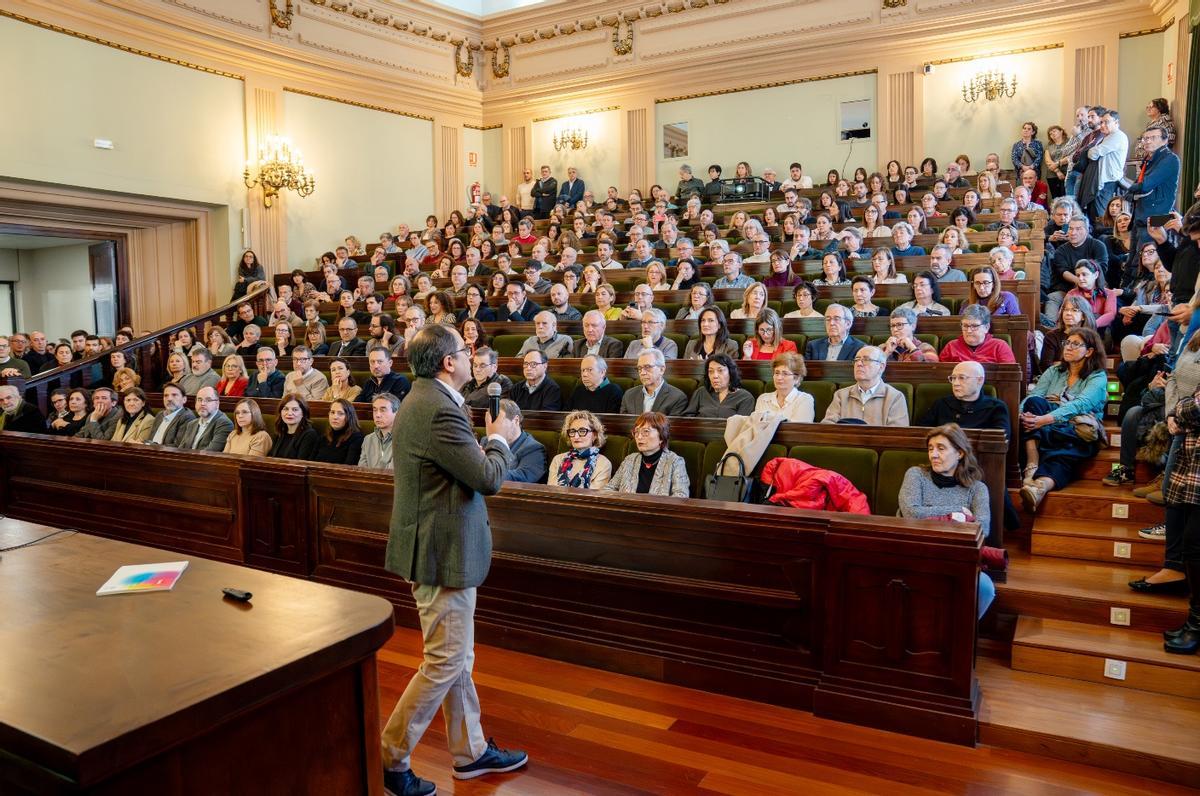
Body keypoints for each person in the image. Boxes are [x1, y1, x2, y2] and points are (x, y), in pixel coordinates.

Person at [380, 324, 528, 795]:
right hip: (441, 553)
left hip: (439, 545)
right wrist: (501, 438)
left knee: (457, 657)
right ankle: (390, 758)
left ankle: (471, 752)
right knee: (445, 661)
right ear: (448, 362)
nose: (472, 356)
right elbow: (487, 477)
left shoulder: (425, 399)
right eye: (466, 351)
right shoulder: (437, 409)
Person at [898, 424, 995, 619]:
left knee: (985, 588)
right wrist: (958, 513)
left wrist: (933, 515)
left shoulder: (977, 489)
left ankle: (956, 638)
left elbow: (983, 527)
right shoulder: (916, 475)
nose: (933, 454)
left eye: (941, 448)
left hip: (957, 557)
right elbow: (911, 514)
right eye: (930, 448)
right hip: (913, 552)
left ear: (959, 453)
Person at [1019, 327, 1109, 510]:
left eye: (1075, 344)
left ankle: (1039, 487)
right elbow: (1034, 395)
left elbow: (1080, 405)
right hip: (1048, 428)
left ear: (1089, 351)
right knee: (1034, 402)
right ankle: (1032, 464)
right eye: (1067, 342)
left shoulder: (1098, 377)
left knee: (1065, 452)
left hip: (1076, 431)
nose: (1068, 347)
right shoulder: (1054, 371)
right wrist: (1021, 413)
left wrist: (1045, 418)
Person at [605, 412, 690, 496]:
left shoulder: (675, 462)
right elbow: (608, 489)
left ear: (661, 437)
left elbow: (681, 496)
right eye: (636, 432)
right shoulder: (630, 460)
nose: (639, 437)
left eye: (646, 431)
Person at [822, 346, 910, 425]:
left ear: (881, 367)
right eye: (857, 360)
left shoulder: (895, 397)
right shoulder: (841, 395)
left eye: (866, 359)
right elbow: (827, 428)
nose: (859, 364)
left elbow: (898, 435)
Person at [919, 361, 1011, 433]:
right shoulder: (941, 404)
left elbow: (999, 441)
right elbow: (921, 433)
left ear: (979, 380)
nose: (955, 383)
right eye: (953, 378)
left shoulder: (996, 407)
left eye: (962, 378)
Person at [548, 411, 612, 489]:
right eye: (572, 431)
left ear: (594, 435)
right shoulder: (558, 459)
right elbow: (551, 491)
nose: (576, 436)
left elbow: (594, 497)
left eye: (582, 431)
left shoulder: (603, 463)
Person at [1087, 111, 1130, 220]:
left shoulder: (1117, 136)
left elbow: (1092, 154)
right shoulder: (1108, 137)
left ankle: (1104, 236)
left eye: (1106, 122)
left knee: (1102, 215)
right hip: (1104, 180)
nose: (1102, 125)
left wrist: (1091, 150)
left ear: (1116, 122)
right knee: (1096, 213)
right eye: (1101, 122)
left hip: (1108, 181)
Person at [939, 305, 1018, 365]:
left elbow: (1009, 378)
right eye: (965, 326)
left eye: (974, 326)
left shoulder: (1000, 346)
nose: (969, 331)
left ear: (986, 327)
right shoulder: (951, 346)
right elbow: (940, 377)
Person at [684, 354, 755, 418]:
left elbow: (742, 426)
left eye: (720, 370)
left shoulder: (745, 398)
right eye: (711, 371)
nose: (715, 376)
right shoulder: (701, 392)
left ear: (730, 372)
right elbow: (688, 419)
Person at [621, 349, 688, 416]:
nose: (642, 373)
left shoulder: (677, 398)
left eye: (647, 367)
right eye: (639, 368)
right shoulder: (629, 395)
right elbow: (623, 424)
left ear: (662, 370)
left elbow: (672, 425)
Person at [754, 352, 814, 422]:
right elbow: (756, 427)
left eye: (785, 374)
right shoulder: (763, 399)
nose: (779, 377)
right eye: (777, 373)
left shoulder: (804, 399)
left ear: (796, 379)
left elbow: (800, 430)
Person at [1064, 258, 1118, 332]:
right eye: (1078, 275)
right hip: (1075, 329)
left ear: (1096, 275)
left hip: (1099, 329)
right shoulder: (1072, 293)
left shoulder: (1109, 293)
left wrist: (1091, 325)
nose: (1080, 278)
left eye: (1084, 274)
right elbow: (1063, 313)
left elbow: (1110, 315)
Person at [174, 387, 234, 451]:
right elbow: (181, 449)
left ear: (217, 404)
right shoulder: (191, 424)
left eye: (208, 400)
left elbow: (210, 452)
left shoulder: (224, 424)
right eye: (199, 400)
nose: (202, 404)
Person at [268, 394, 320, 460]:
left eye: (295, 410)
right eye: (286, 409)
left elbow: (301, 463)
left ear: (303, 413)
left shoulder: (309, 434)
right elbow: (270, 457)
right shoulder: (279, 431)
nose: (289, 413)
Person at [358, 393, 400, 469]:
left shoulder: (404, 440)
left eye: (383, 410)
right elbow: (362, 471)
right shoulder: (368, 439)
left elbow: (391, 474)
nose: (377, 415)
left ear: (396, 413)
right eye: (375, 410)